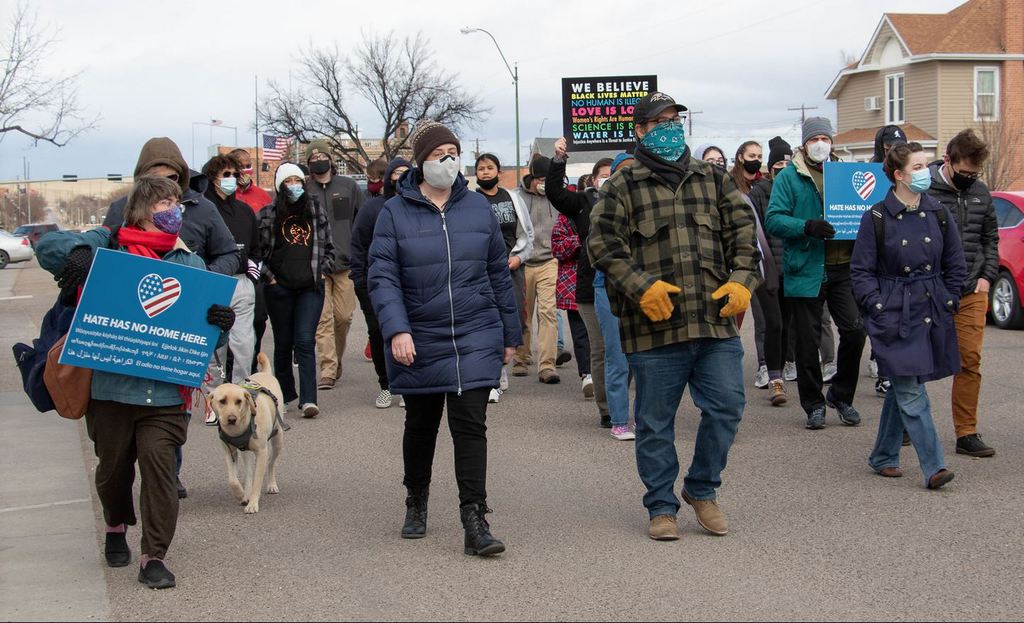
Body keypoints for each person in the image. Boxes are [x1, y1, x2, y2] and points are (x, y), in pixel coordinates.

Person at [37, 175, 235, 588]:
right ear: (143, 211)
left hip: (165, 393)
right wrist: (86, 250)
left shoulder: (190, 265)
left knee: (160, 472)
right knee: (112, 472)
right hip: (111, 390)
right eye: (165, 204)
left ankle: (153, 556)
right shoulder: (110, 250)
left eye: (176, 202)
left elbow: (201, 338)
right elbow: (47, 249)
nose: (174, 211)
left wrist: (220, 325)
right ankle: (115, 525)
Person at [589, 92, 761, 541]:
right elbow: (603, 247)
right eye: (658, 122)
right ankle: (661, 506)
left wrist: (743, 278)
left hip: (713, 321)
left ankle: (702, 490)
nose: (669, 128)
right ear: (640, 131)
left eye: (674, 120)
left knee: (727, 407)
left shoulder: (714, 179)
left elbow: (745, 235)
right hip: (654, 328)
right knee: (654, 422)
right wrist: (638, 286)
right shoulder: (622, 186)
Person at [368, 121, 521, 556]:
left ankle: (475, 519)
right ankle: (416, 499)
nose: (449, 159)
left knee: (471, 425)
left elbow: (497, 273)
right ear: (422, 162)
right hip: (420, 334)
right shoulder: (394, 213)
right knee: (421, 425)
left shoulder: (476, 208)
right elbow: (382, 277)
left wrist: (510, 333)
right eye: (440, 153)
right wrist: (397, 329)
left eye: (454, 151)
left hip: (475, 331)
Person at [102, 137, 238, 499]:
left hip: (181, 321)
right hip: (131, 329)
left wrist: (204, 282)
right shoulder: (119, 210)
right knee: (124, 430)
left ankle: (168, 472)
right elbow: (105, 267)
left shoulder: (203, 209)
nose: (167, 189)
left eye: (172, 178)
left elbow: (228, 253)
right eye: (155, 177)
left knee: (168, 408)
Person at [851, 142, 964, 489]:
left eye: (926, 165)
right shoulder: (877, 217)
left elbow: (956, 263)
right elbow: (861, 270)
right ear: (899, 175)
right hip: (893, 311)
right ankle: (934, 466)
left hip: (929, 306)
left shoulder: (938, 213)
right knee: (912, 389)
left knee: (905, 383)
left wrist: (949, 297)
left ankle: (884, 455)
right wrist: (877, 305)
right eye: (918, 167)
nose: (925, 173)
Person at [765, 117, 866, 430]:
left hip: (843, 267)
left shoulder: (847, 174)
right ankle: (813, 404)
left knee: (855, 330)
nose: (820, 143)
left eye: (825, 137)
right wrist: (806, 226)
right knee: (807, 342)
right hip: (806, 267)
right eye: (814, 139)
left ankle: (841, 395)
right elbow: (774, 220)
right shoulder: (790, 176)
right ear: (805, 143)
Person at [927, 129, 999, 458]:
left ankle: (966, 432)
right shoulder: (924, 190)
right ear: (948, 160)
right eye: (965, 172)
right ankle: (904, 426)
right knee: (917, 362)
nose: (970, 178)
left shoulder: (982, 193)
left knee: (970, 361)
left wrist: (987, 276)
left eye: (975, 173)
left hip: (971, 291)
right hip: (930, 292)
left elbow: (990, 239)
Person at [257, 163, 335, 419]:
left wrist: (323, 270)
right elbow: (258, 253)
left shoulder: (315, 210)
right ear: (280, 185)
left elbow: (329, 247)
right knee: (283, 342)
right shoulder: (268, 213)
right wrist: (269, 279)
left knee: (304, 340)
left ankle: (309, 399)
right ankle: (284, 394)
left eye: (297, 180)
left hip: (310, 287)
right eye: (288, 181)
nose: (294, 186)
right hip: (278, 287)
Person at [546, 140, 612, 408]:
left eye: (614, 176)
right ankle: (605, 406)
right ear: (594, 181)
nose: (609, 181)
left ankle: (620, 391)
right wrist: (559, 161)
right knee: (598, 346)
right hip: (590, 282)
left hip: (626, 283)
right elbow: (555, 194)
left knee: (623, 348)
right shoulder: (583, 201)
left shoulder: (633, 201)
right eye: (604, 177)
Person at [197, 155, 259, 426]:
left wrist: (253, 273)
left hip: (242, 282)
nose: (232, 178)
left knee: (245, 344)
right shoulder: (203, 209)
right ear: (212, 177)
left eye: (235, 173)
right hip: (213, 281)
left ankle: (242, 397)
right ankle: (214, 399)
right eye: (226, 173)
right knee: (214, 347)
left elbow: (257, 245)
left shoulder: (245, 211)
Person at [351, 157, 412, 409]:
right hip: (375, 284)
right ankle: (385, 385)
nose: (400, 178)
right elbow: (358, 244)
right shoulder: (372, 208)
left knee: (409, 334)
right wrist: (360, 280)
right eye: (395, 173)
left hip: (411, 283)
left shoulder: (419, 205)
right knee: (378, 333)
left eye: (405, 173)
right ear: (387, 178)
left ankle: (408, 386)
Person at [304, 140, 365, 391]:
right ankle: (328, 369)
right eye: (313, 156)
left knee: (343, 317)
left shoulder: (349, 186)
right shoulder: (305, 190)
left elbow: (362, 222)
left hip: (346, 264)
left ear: (330, 159)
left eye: (322, 155)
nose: (318, 159)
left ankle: (337, 359)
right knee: (322, 320)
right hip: (316, 266)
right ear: (308, 164)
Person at [474, 153, 534, 402]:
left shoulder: (513, 198)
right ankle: (493, 376)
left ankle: (502, 364)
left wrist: (519, 258)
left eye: (490, 168)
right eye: (481, 169)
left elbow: (526, 234)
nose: (486, 172)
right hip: (481, 271)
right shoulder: (471, 201)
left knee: (511, 319)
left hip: (511, 268)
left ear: (499, 172)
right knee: (487, 320)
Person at [732, 140, 787, 406]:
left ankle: (775, 377)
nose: (756, 159)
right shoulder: (729, 187)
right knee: (732, 325)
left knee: (773, 322)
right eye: (751, 155)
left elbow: (766, 228)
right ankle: (726, 381)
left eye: (759, 156)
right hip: (733, 266)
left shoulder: (764, 187)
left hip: (762, 261)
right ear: (740, 157)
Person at [512, 154, 561, 384]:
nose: (544, 182)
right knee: (525, 314)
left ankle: (547, 365)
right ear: (531, 177)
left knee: (548, 313)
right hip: (524, 263)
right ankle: (521, 358)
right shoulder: (517, 197)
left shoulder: (554, 195)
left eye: (547, 178)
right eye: (541, 178)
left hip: (550, 261)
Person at [868, 126, 908, 396]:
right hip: (877, 249)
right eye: (887, 143)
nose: (891, 146)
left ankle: (892, 369)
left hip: (903, 251)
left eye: (897, 142)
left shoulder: (910, 174)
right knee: (880, 314)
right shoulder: (870, 172)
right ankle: (883, 369)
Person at [230, 148, 273, 214]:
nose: (245, 170)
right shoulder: (225, 195)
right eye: (241, 167)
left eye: (248, 166)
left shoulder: (263, 195)